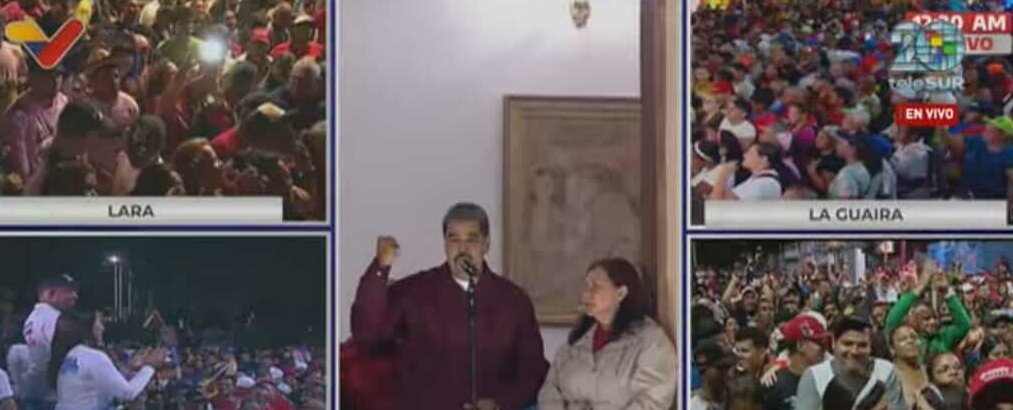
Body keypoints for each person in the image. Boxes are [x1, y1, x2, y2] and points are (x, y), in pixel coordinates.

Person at [351, 203, 549, 409]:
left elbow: (532, 371)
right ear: (445, 244)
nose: (462, 249)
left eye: (471, 240)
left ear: (486, 245)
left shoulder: (513, 301)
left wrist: (500, 404)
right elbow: (367, 335)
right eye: (454, 240)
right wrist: (380, 268)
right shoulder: (416, 292)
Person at [537, 258, 677, 409]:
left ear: (621, 293)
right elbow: (550, 390)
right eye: (587, 286)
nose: (586, 294)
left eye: (596, 286)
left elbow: (651, 400)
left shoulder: (651, 342)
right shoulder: (577, 341)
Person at [50, 313, 167, 409]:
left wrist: (131, 369)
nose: (102, 328)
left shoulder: (72, 354)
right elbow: (128, 393)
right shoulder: (93, 357)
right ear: (89, 328)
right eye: (99, 323)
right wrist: (150, 366)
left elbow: (108, 382)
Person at [795, 316, 906, 410]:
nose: (854, 351)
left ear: (871, 346)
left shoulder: (886, 371)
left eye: (862, 345)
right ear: (833, 343)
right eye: (847, 344)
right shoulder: (816, 376)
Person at [885, 261, 972, 361]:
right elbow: (892, 321)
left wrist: (947, 292)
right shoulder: (909, 340)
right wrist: (920, 287)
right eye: (926, 319)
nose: (932, 322)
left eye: (934, 318)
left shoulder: (943, 338)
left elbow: (964, 325)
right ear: (914, 321)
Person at [21, 275, 79, 410]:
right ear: (51, 294)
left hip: (35, 390)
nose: (74, 296)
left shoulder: (32, 318)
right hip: (53, 395)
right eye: (69, 291)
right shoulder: (54, 319)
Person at [762, 314, 830, 410]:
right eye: (819, 343)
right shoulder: (773, 383)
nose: (824, 349)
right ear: (800, 345)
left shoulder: (828, 380)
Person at [710, 142, 784, 200]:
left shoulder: (762, 183)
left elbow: (717, 201)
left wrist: (724, 173)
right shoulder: (762, 180)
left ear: (764, 159)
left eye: (750, 153)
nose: (744, 155)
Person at [690, 339, 734, 410]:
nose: (727, 374)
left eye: (727, 368)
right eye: (720, 368)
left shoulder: (735, 398)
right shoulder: (693, 404)